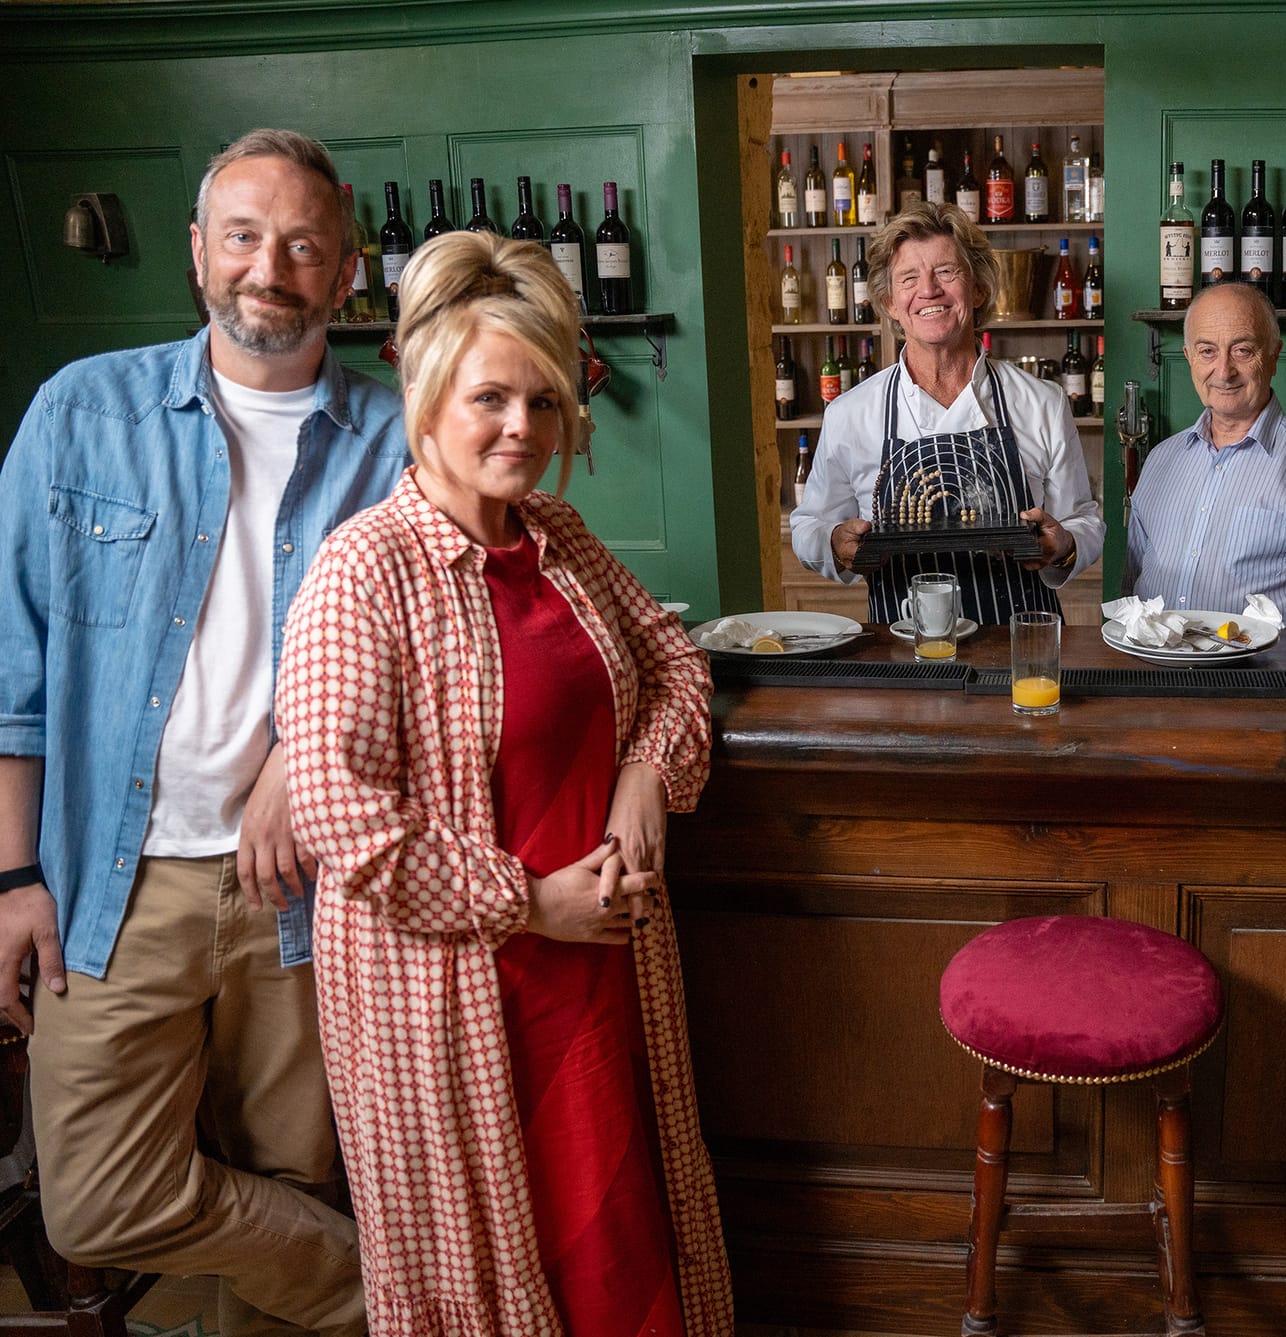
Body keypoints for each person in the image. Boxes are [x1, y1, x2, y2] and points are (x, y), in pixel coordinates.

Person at [276, 231, 731, 1335]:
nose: (521, 426)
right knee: (499, 1278)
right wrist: (531, 902)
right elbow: (341, 814)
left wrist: (644, 777)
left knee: (619, 1242)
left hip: (599, 973)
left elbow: (676, 662)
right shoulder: (361, 569)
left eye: (541, 398)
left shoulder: (558, 535)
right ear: (424, 392)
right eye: (489, 396)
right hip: (458, 995)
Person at [0, 129, 405, 1334]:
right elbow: (12, 664)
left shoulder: (397, 443)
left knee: (291, 1173)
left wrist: (300, 746)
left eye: (301, 245)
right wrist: (13, 870)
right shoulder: (82, 411)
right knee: (97, 1202)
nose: (267, 267)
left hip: (311, 884)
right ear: (197, 252)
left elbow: (425, 660)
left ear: (342, 272)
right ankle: (407, 1292)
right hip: (109, 882)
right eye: (242, 236)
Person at [791, 201, 1104, 624]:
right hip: (901, 654)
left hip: (1020, 651)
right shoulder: (850, 413)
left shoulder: (1042, 402)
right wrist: (832, 542)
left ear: (977, 289)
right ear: (888, 301)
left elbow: (1082, 520)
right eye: (909, 278)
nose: (929, 290)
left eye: (946, 271)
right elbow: (808, 523)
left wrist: (1064, 544)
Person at [1123, 282, 1286, 625]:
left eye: (1242, 350)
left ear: (1274, 356)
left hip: (1261, 679)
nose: (1224, 371)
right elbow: (1132, 599)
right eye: (1207, 351)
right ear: (1190, 357)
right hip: (1151, 674)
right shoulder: (1160, 460)